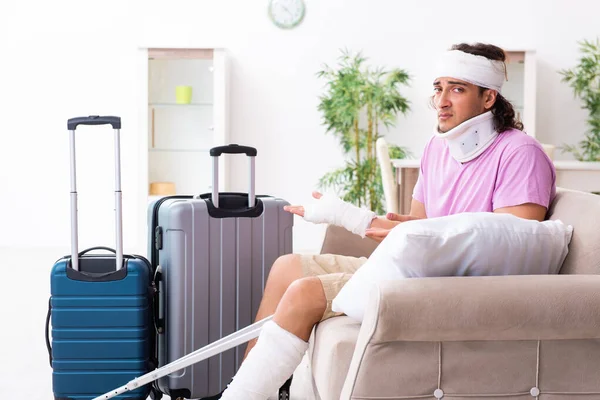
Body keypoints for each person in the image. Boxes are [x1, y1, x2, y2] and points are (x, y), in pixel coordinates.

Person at [219, 42, 556, 399]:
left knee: (304, 293)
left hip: (449, 286)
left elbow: (515, 244)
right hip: (415, 269)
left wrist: (366, 222)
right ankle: (254, 389)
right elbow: (420, 228)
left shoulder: (520, 153)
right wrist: (380, 223)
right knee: (288, 268)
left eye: (457, 89)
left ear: (489, 98)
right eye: (438, 88)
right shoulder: (437, 148)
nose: (441, 101)